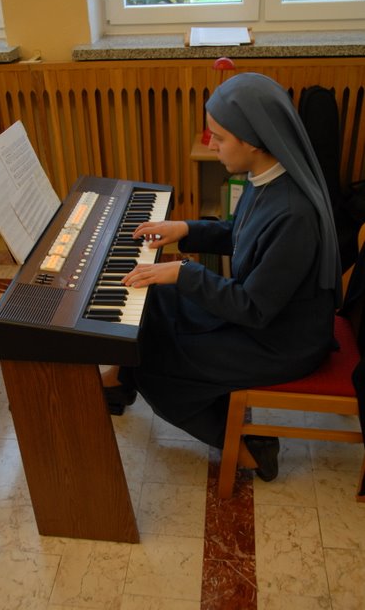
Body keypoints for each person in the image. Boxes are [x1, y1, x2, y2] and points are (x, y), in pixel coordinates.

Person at [102, 72, 342, 481]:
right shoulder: (267, 177)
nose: (211, 145)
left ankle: (248, 450)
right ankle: (120, 382)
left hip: (279, 341)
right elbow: (241, 234)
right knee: (152, 302)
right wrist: (186, 229)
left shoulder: (293, 214)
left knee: (157, 366)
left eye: (218, 137)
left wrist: (183, 272)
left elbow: (252, 308)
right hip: (262, 313)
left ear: (253, 141)